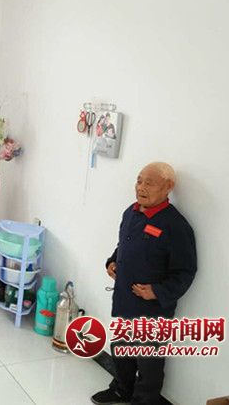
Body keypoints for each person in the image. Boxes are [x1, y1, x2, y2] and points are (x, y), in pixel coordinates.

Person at [91, 162, 197, 405]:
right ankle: (121, 390)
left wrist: (157, 292)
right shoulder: (131, 212)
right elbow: (124, 245)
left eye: (149, 183)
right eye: (139, 181)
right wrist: (112, 262)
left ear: (168, 187)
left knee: (149, 362)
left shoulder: (176, 226)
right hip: (124, 300)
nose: (141, 187)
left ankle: (145, 401)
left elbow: (186, 271)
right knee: (121, 350)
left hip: (152, 309)